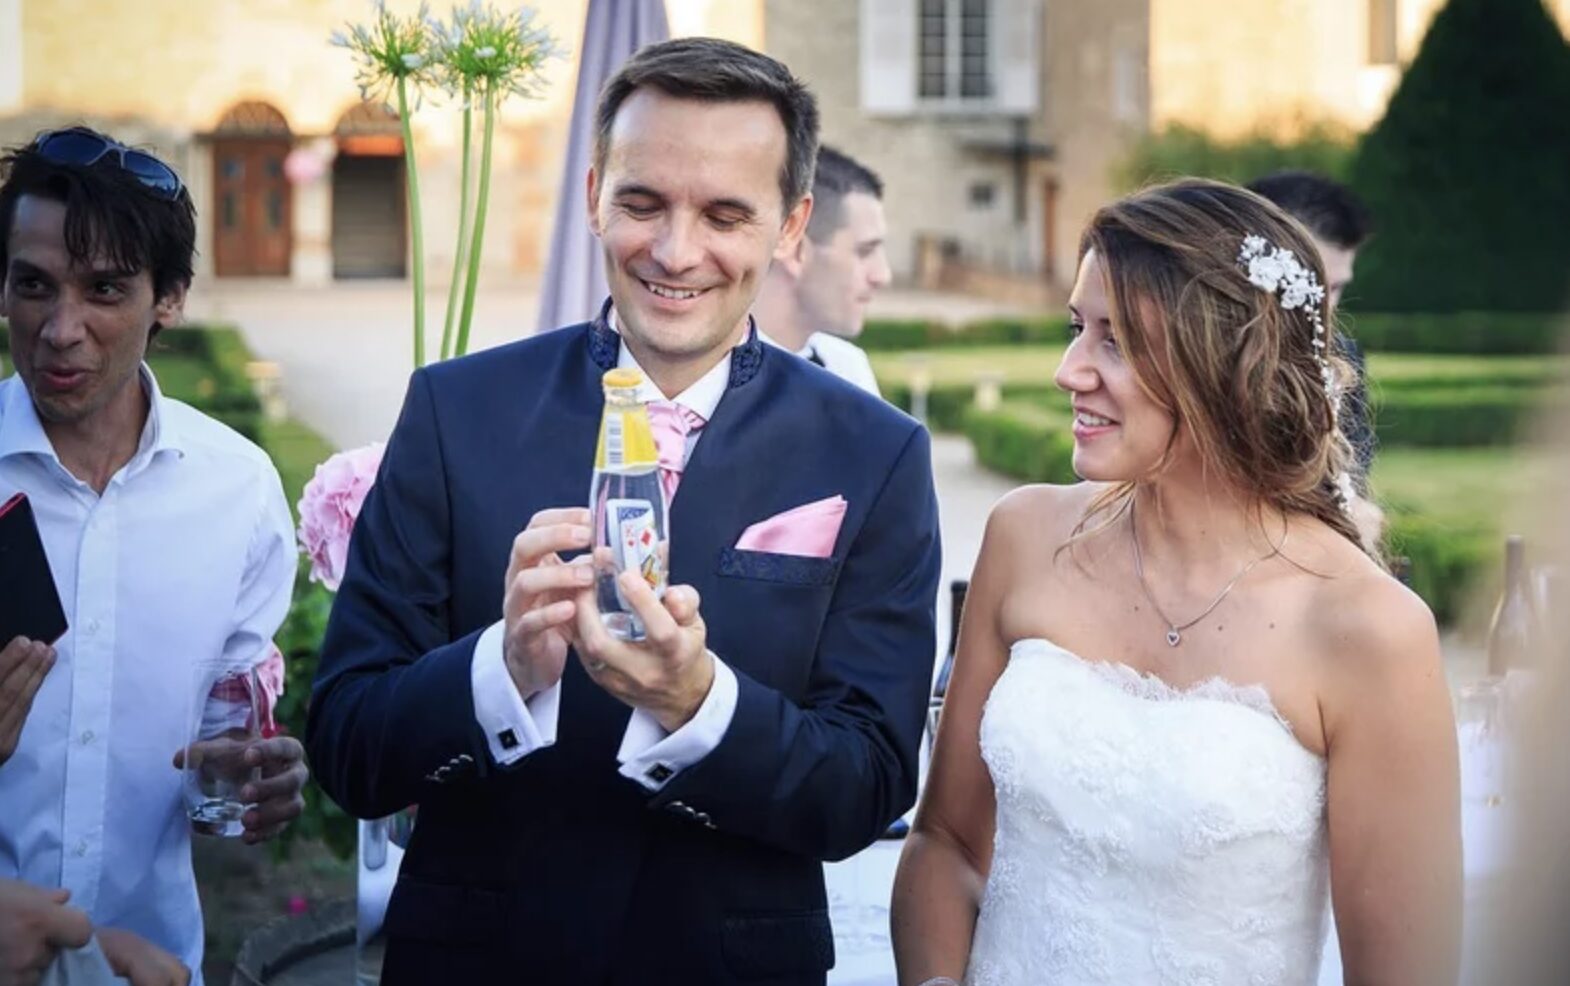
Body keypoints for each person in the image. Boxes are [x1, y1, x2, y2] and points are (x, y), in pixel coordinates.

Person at [306, 38, 941, 986]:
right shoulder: (455, 410)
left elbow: (868, 785)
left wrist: (700, 707)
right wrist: (501, 669)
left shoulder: (876, 452)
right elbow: (348, 746)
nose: (675, 251)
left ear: (792, 226)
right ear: (596, 191)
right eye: (643, 203)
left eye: (726, 214)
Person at [891, 179, 1460, 985]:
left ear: (1223, 365)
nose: (1068, 371)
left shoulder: (1369, 630)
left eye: (1115, 340)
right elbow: (944, 841)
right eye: (1075, 329)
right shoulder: (1023, 537)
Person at [0, 128, 307, 985]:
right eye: (33, 286)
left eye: (104, 289)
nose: (61, 330)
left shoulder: (240, 491)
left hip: (154, 968)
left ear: (169, 297)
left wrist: (253, 777)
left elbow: (228, 733)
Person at [1246, 170, 1376, 478]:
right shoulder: (1187, 355)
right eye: (1308, 285)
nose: (1324, 306)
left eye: (1335, 288)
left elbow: (1354, 481)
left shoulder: (1343, 356)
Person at [753, 145, 890, 395]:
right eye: (864, 251)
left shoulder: (848, 368)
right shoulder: (702, 377)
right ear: (795, 250)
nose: (882, 275)